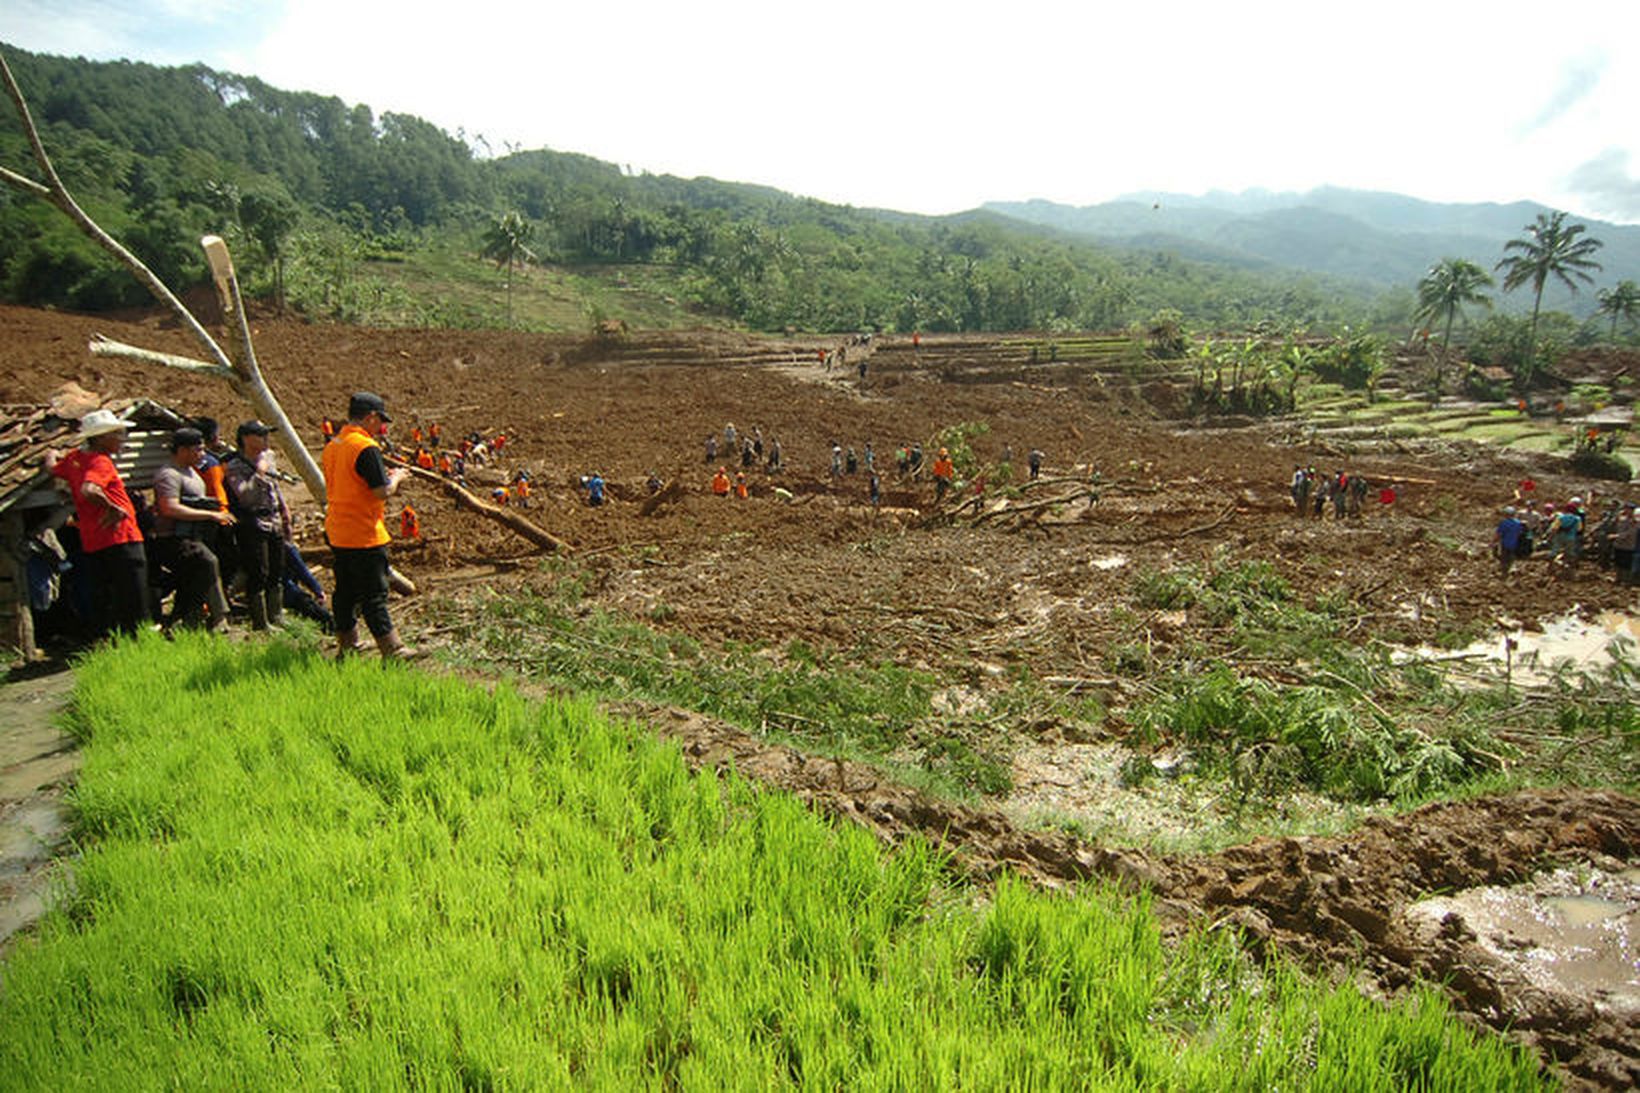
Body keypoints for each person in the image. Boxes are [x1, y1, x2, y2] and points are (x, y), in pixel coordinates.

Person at [322, 391, 416, 660]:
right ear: (371, 417)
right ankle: (393, 649)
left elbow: (348, 480)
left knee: (345, 593)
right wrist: (396, 478)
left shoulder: (334, 444)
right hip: (364, 532)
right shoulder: (365, 447)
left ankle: (347, 646)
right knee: (374, 594)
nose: (381, 427)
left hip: (338, 530)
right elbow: (381, 492)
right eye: (380, 421)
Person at [44, 409, 151, 639]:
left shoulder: (74, 460)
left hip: (94, 540)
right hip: (121, 536)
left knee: (102, 593)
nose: (122, 439)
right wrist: (112, 507)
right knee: (134, 594)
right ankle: (140, 638)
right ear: (102, 438)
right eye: (117, 434)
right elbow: (89, 489)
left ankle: (106, 638)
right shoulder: (100, 461)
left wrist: (51, 453)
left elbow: (52, 467)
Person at [149, 426, 237, 633]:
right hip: (172, 538)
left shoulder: (192, 473)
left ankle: (183, 620)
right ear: (182, 450)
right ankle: (218, 616)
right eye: (198, 450)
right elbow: (169, 507)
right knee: (207, 562)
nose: (203, 454)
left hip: (194, 535)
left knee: (192, 577)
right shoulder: (169, 475)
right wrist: (210, 514)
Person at [224, 420, 292, 631]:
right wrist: (259, 474)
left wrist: (284, 511)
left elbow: (275, 489)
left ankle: (276, 614)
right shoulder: (235, 465)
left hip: (273, 519)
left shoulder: (268, 457)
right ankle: (260, 622)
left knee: (276, 568)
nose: (266, 440)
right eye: (260, 435)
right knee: (258, 571)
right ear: (246, 439)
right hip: (253, 523)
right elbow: (244, 495)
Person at [282, 540, 334, 632]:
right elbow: (302, 571)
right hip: (285, 590)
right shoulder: (286, 548)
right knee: (318, 613)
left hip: (261, 591)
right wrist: (318, 591)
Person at [1494, 505, 1526, 578]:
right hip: (1515, 544)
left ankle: (1504, 574)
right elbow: (1520, 533)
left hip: (1505, 543)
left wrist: (1494, 542)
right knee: (1512, 558)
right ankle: (1512, 570)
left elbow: (1498, 534)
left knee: (1504, 559)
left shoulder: (1504, 523)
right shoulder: (1518, 523)